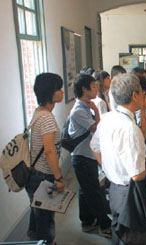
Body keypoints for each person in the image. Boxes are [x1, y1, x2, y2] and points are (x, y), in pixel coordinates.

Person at [90, 74, 146, 245]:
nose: (144, 96)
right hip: (131, 193)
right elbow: (137, 174)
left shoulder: (108, 118)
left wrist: (108, 167)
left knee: (119, 233)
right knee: (136, 237)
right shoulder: (129, 128)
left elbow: (94, 146)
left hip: (114, 189)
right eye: (142, 92)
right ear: (135, 96)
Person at [69, 74, 111, 237]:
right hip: (83, 158)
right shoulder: (79, 110)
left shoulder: (83, 106)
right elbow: (96, 129)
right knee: (94, 192)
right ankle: (104, 226)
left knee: (85, 190)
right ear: (84, 89)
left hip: (85, 157)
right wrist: (95, 110)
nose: (96, 89)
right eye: (93, 87)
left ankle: (86, 221)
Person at [25, 73, 65, 244]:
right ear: (51, 93)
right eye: (59, 89)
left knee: (37, 220)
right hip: (44, 177)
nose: (62, 92)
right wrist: (58, 178)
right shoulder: (47, 118)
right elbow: (49, 151)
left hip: (35, 175)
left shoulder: (39, 112)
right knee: (46, 224)